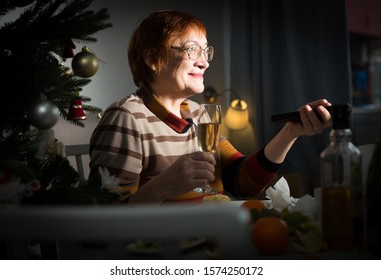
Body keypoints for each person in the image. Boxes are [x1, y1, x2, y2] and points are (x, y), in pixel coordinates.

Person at [88, 10, 332, 204]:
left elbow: (242, 181)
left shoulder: (198, 113)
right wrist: (162, 186)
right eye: (192, 49)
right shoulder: (126, 117)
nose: (204, 62)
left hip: (213, 236)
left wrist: (290, 132)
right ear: (153, 59)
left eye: (205, 51)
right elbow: (108, 220)